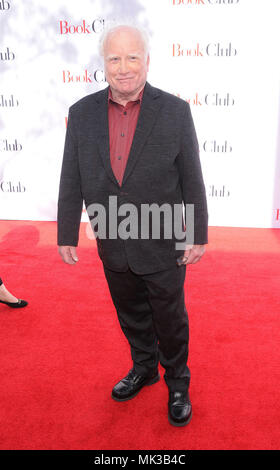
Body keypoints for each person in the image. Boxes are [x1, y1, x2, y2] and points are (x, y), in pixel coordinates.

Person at [57, 22, 208, 427]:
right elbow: (71, 175)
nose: (123, 67)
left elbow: (192, 177)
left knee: (170, 318)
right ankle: (144, 367)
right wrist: (66, 230)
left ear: (146, 60)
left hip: (162, 241)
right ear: (103, 63)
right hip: (112, 238)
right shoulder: (81, 113)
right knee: (131, 313)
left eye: (132, 57)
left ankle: (177, 382)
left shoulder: (175, 112)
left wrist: (196, 232)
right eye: (114, 58)